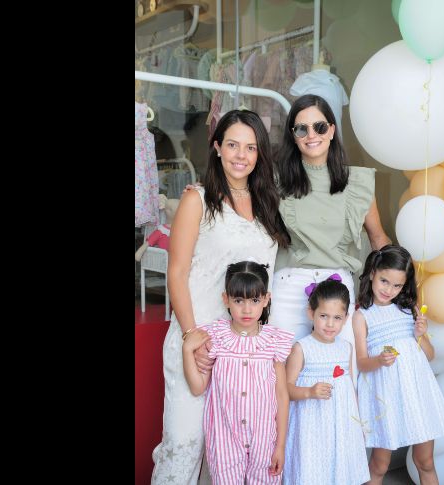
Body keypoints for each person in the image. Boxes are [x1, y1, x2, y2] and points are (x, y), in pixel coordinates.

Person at [151, 110, 290, 485]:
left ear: (260, 153)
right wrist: (191, 336)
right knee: (185, 442)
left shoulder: (267, 204)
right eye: (232, 144)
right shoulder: (199, 199)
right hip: (196, 339)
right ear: (216, 147)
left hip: (244, 346)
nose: (241, 155)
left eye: (250, 147)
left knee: (229, 450)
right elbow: (177, 272)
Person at [269, 94, 392, 381]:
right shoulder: (275, 181)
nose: (312, 135)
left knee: (343, 381)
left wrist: (402, 283)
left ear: (332, 130)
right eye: (302, 129)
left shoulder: (357, 183)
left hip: (338, 293)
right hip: (288, 290)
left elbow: (378, 238)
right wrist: (204, 191)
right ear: (293, 135)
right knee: (285, 380)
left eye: (319, 127)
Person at [352, 244, 444, 485]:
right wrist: (378, 360)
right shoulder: (362, 316)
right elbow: (361, 362)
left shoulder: (408, 310)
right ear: (372, 274)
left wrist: (421, 333)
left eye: (397, 285)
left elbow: (429, 355)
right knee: (379, 464)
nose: (389, 290)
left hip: (418, 393)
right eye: (384, 281)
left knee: (426, 461)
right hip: (387, 396)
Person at [182, 260, 294, 485]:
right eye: (238, 300)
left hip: (264, 441)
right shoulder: (215, 337)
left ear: (265, 299)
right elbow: (197, 387)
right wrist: (187, 349)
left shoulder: (274, 341)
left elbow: (281, 396)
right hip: (224, 441)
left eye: (254, 300)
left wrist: (280, 445)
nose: (247, 309)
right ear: (226, 299)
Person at [283, 278, 370, 485]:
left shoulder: (346, 347)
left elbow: (350, 390)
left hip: (340, 427)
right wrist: (309, 392)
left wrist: (358, 426)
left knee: (338, 471)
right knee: (312, 472)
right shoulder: (301, 348)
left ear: (346, 318)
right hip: (311, 427)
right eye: (323, 316)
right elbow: (285, 389)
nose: (330, 324)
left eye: (337, 317)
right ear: (311, 313)